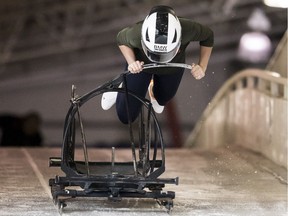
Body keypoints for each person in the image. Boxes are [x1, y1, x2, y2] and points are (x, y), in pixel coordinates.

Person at [101, 5, 214, 124]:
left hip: (171, 66)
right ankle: (119, 87)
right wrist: (132, 62)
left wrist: (202, 66)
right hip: (142, 66)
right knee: (126, 116)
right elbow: (121, 40)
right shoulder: (136, 34)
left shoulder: (189, 29)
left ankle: (153, 90)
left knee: (162, 100)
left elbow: (208, 36)